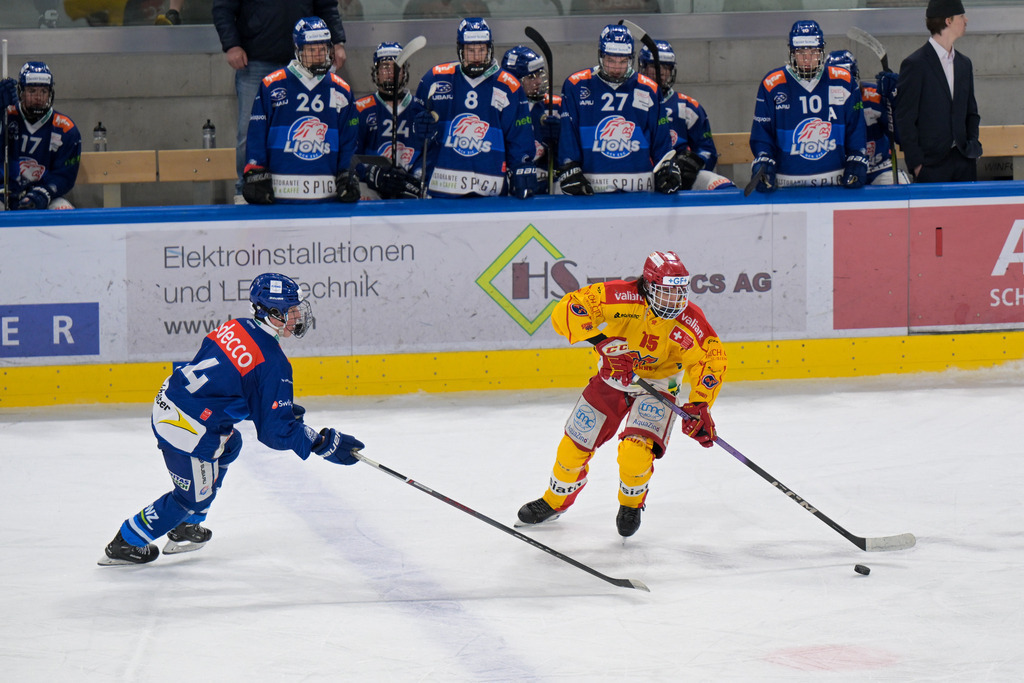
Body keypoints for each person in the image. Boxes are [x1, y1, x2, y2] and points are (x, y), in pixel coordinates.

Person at [99, 273, 365, 566]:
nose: (297, 316)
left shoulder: (236, 326)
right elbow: (274, 433)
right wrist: (319, 443)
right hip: (187, 428)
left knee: (230, 444)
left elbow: (230, 379)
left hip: (174, 401)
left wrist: (269, 406)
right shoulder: (273, 363)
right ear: (271, 313)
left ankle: (186, 527)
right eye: (290, 310)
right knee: (190, 498)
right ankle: (126, 542)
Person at [517, 251, 727, 538]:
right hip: (612, 380)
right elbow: (569, 307)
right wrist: (603, 342)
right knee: (571, 449)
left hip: (659, 388)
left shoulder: (690, 320)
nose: (675, 299)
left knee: (634, 454)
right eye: (667, 291)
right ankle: (555, 502)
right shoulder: (620, 296)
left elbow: (711, 360)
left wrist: (700, 404)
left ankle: (630, 504)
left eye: (680, 290)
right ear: (649, 285)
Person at [212, 0, 347, 203]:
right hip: (255, 60)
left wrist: (337, 42)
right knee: (248, 131)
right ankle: (245, 190)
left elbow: (326, 5)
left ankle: (305, 189)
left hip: (305, 61)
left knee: (306, 128)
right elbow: (223, 7)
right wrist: (231, 45)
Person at [411, 17, 537, 199]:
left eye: (481, 50)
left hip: (490, 190)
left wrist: (522, 167)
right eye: (471, 51)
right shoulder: (435, 79)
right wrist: (419, 128)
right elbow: (414, 129)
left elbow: (520, 136)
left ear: (490, 49)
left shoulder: (508, 85)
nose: (477, 57)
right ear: (460, 50)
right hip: (442, 189)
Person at [241, 17, 360, 204]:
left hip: (326, 197)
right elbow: (257, 132)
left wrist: (347, 172)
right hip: (279, 195)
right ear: (298, 50)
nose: (318, 55)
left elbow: (349, 138)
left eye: (322, 49)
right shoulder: (272, 84)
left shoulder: (341, 90)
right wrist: (255, 170)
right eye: (312, 50)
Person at [556, 24, 681, 195]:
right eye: (610, 60)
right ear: (600, 55)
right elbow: (568, 134)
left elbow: (661, 137)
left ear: (631, 58)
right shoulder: (576, 85)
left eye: (623, 61)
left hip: (640, 185)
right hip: (592, 185)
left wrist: (667, 166)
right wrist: (569, 166)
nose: (616, 68)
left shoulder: (648, 88)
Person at [749, 20, 867, 192]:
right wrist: (763, 158)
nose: (807, 59)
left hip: (835, 181)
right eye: (801, 52)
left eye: (813, 52)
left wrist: (857, 157)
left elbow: (856, 128)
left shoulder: (844, 81)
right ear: (792, 52)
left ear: (821, 51)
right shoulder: (772, 84)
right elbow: (762, 132)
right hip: (786, 183)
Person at [895, 0, 981, 183]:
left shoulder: (964, 64)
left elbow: (971, 112)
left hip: (963, 161)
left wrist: (972, 145)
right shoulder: (915, 64)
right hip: (930, 165)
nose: (966, 20)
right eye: (961, 16)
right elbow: (905, 118)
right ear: (948, 21)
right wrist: (916, 164)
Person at [637, 39, 735, 191]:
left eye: (666, 67)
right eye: (653, 66)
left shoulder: (688, 107)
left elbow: (707, 151)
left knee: (723, 186)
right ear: (643, 68)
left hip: (678, 179)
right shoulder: (630, 104)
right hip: (640, 177)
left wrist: (692, 163)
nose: (660, 72)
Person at [0, 62, 80, 211]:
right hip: (4, 194)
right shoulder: (6, 116)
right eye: (32, 91)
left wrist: (43, 193)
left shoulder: (65, 129)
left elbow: (64, 175)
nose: (38, 97)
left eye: (43, 91)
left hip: (46, 195)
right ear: (21, 92)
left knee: (64, 211)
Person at [824, 50, 909, 185]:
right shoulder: (820, 104)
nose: (843, 87)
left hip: (879, 168)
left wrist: (897, 104)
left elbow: (902, 137)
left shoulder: (874, 96)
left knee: (902, 193)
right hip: (842, 172)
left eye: (847, 79)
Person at [353, 42, 424, 200]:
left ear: (404, 71)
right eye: (385, 67)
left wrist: (416, 178)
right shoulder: (359, 109)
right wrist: (372, 174)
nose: (391, 72)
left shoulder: (420, 109)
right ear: (376, 72)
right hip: (371, 187)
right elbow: (350, 153)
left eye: (396, 67)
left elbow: (429, 151)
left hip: (408, 188)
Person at [500, 45, 561, 194]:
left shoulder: (555, 106)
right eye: (531, 77)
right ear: (513, 80)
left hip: (547, 183)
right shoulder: (498, 108)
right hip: (510, 183)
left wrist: (559, 140)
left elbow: (568, 154)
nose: (539, 81)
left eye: (539, 75)